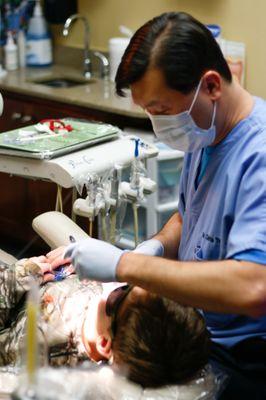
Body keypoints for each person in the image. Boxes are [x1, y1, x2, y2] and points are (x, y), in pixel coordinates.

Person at [48, 12, 266, 399]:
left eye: (162, 111)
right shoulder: (206, 139)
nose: (157, 125)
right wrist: (157, 246)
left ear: (211, 86)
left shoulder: (258, 156)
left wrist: (126, 265)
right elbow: (191, 214)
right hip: (196, 336)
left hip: (246, 363)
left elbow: (254, 286)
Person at [0, 256, 210, 387]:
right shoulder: (114, 317)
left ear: (104, 343)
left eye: (119, 294)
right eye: (128, 284)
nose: (117, 287)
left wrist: (21, 275)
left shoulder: (42, 343)